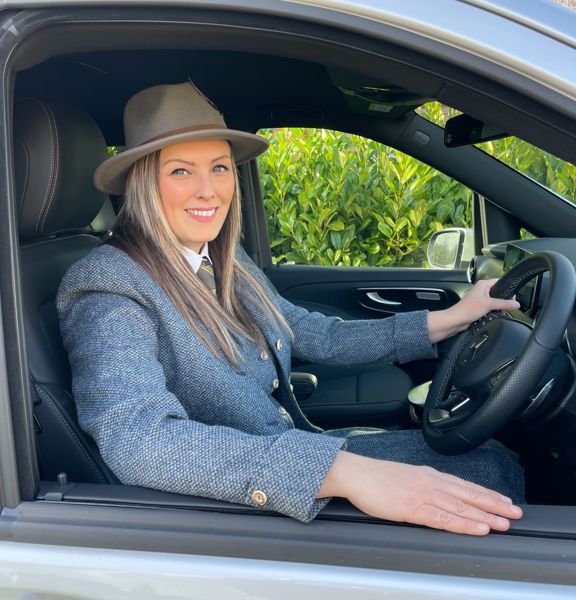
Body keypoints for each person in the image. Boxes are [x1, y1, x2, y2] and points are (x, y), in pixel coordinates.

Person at [57, 81, 524, 536]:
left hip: (293, 449)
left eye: (219, 168)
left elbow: (308, 332)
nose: (209, 191)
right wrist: (344, 473)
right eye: (181, 171)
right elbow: (139, 439)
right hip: (238, 506)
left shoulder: (220, 256)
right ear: (143, 183)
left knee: (490, 457)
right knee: (488, 472)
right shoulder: (108, 284)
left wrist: (454, 317)